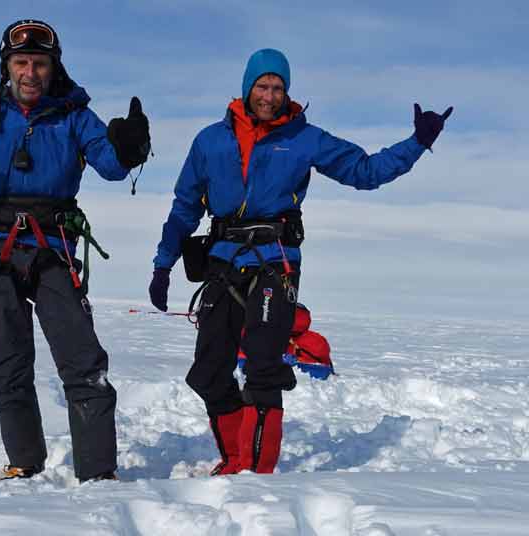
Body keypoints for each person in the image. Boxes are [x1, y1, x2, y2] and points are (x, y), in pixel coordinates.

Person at [148, 48, 451, 475]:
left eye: (278, 87)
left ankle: (255, 476)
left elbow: (364, 171)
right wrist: (164, 263)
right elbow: (184, 206)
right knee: (208, 371)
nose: (269, 95)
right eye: (262, 85)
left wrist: (417, 143)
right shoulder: (210, 140)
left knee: (263, 367)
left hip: (276, 263)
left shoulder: (304, 138)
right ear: (247, 87)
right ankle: (235, 458)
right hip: (222, 262)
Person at [0, 19, 150, 482]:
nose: (30, 72)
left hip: (53, 246)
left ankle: (98, 474)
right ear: (6, 67)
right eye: (21, 63)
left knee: (82, 359)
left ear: (54, 69)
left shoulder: (76, 117)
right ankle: (23, 462)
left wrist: (131, 148)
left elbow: (112, 166)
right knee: (6, 360)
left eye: (39, 63)